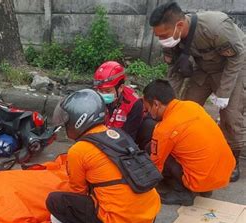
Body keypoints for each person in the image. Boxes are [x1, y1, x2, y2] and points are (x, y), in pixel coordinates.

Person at [46, 89, 161, 223]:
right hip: (147, 211)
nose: (66, 126)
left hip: (121, 218)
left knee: (55, 201)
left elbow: (78, 190)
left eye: (67, 121)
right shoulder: (117, 134)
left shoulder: (79, 150)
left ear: (79, 120)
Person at [149, 1, 245, 182]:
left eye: (163, 35)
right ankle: (193, 151)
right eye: (158, 37)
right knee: (186, 108)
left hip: (233, 68)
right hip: (204, 69)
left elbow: (237, 57)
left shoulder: (215, 26)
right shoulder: (171, 40)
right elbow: (174, 73)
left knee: (231, 116)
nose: (162, 40)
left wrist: (223, 93)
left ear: (179, 25)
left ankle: (233, 161)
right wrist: (167, 101)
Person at [143, 79, 236, 205]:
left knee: (154, 150)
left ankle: (182, 193)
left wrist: (142, 187)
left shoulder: (164, 129)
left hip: (200, 179)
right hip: (224, 171)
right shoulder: (192, 106)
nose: (147, 112)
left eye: (148, 108)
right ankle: (206, 189)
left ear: (156, 104)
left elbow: (155, 165)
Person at [93, 61, 144, 141]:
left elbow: (128, 138)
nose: (103, 94)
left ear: (120, 88)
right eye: (100, 90)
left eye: (108, 91)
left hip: (120, 145)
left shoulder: (134, 104)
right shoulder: (95, 98)